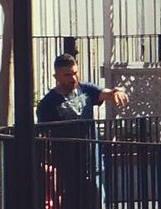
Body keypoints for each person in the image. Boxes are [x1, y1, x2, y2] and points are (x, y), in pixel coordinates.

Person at [36, 54, 129, 208]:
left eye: (75, 73)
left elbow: (104, 93)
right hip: (67, 164)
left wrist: (116, 92)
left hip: (92, 160)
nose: (73, 78)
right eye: (67, 75)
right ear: (56, 76)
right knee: (72, 202)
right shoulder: (47, 103)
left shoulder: (85, 89)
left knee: (96, 199)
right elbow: (43, 135)